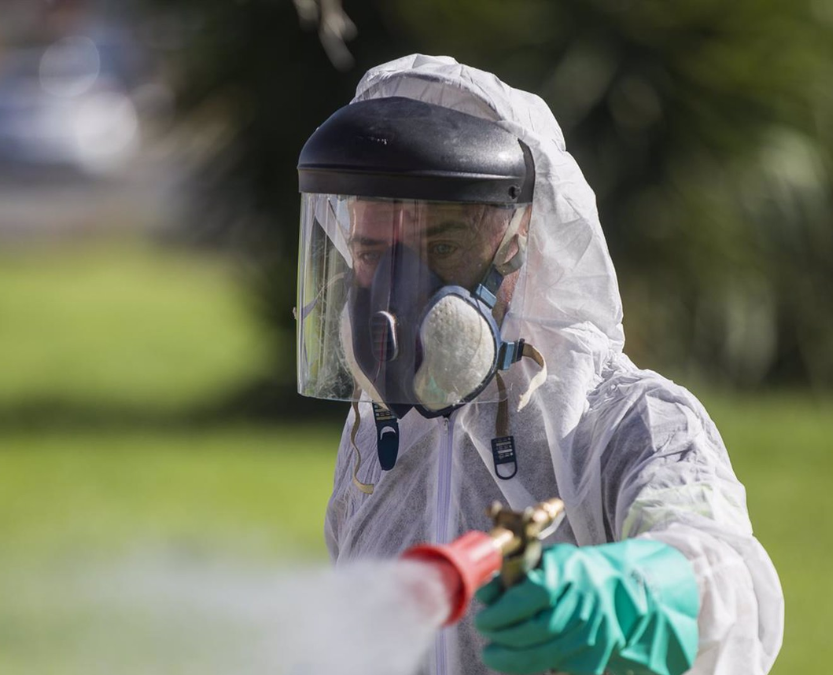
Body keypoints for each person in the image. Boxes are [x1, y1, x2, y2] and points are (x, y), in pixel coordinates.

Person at [294, 54, 783, 675]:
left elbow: (736, 583)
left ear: (519, 245)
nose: (393, 294)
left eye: (439, 246)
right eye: (370, 252)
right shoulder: (377, 436)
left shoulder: (627, 421)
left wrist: (637, 597)